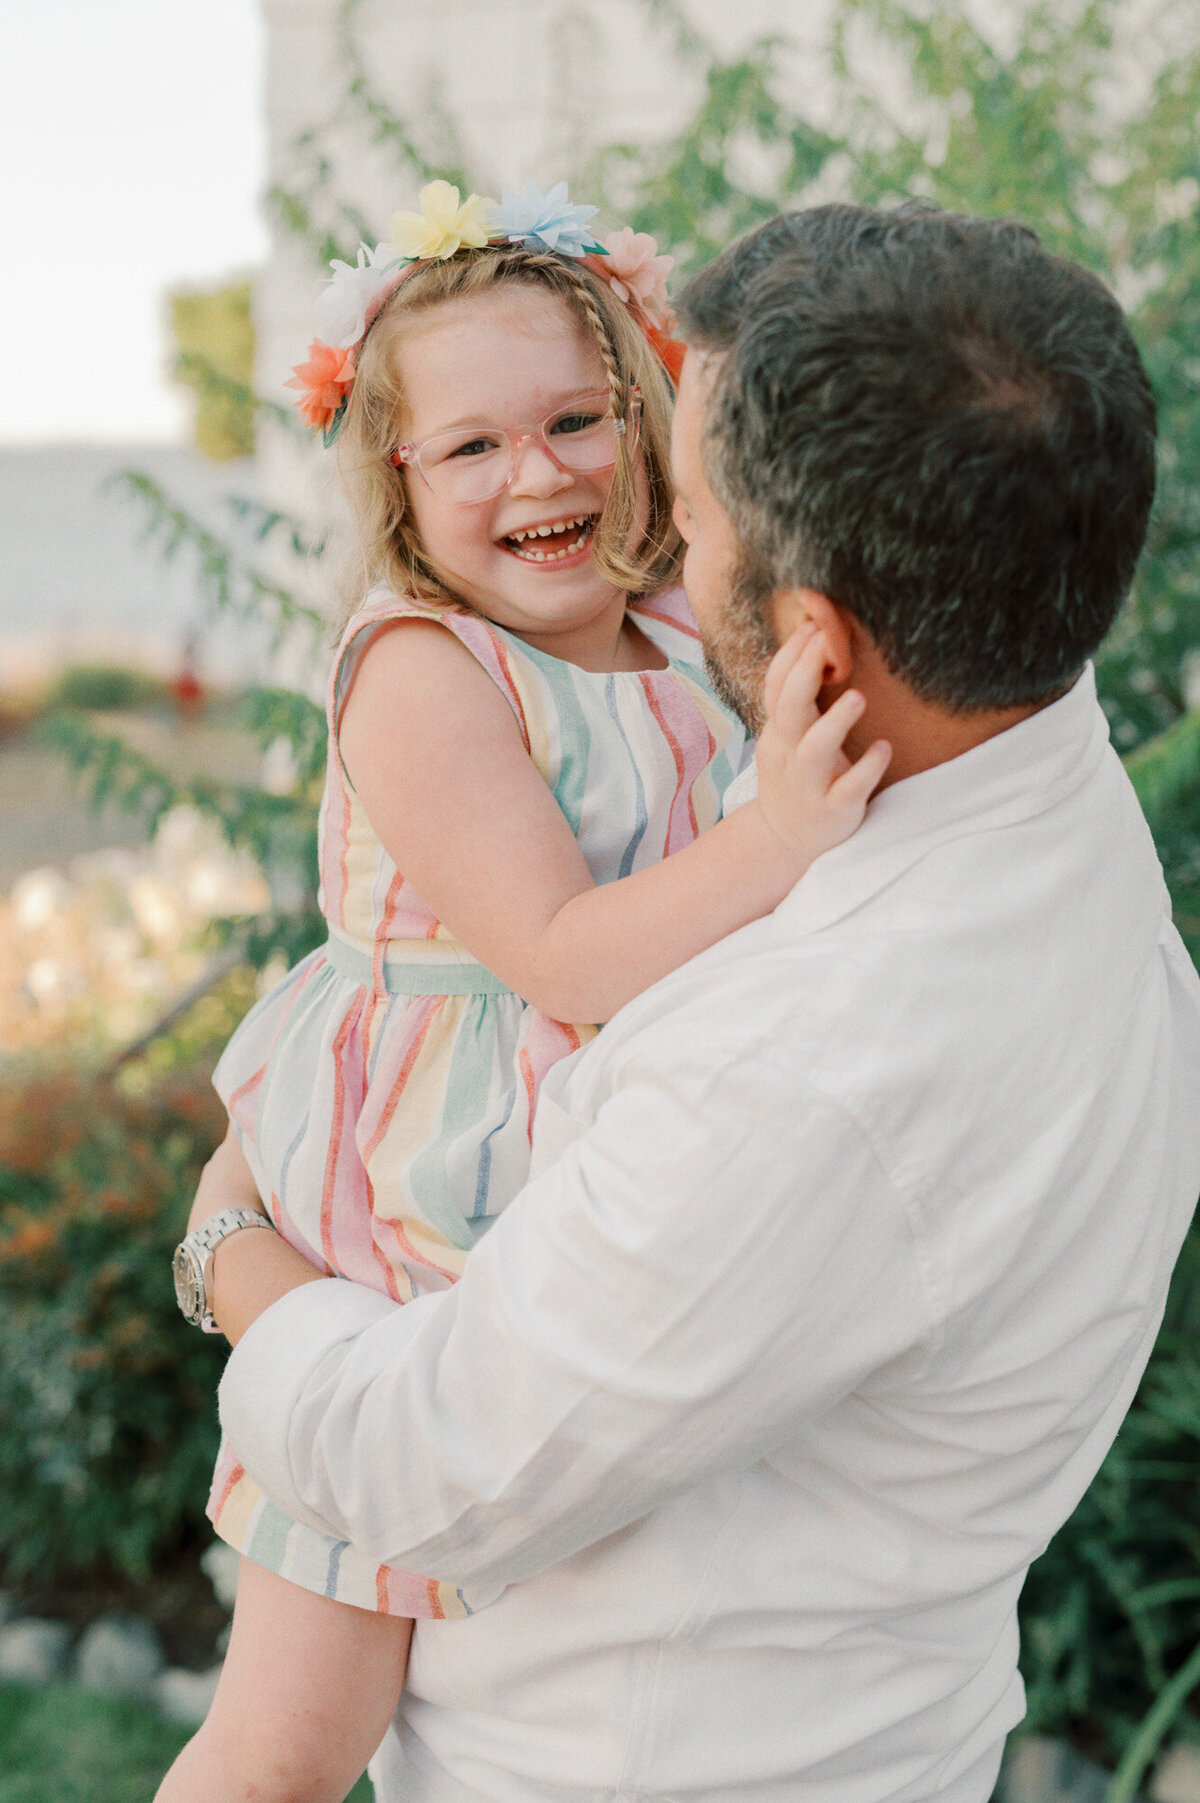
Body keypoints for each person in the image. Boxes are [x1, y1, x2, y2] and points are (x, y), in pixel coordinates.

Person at [197, 204, 1200, 1803]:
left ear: (814, 639)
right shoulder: (1038, 766)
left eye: (673, 477)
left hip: (639, 1767)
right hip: (437, 1165)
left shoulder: (802, 1072)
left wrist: (224, 1251)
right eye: (472, 449)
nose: (618, 508)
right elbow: (560, 940)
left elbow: (419, 1461)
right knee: (269, 1751)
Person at [156, 183, 889, 1803]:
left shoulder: (677, 625)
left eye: (574, 419)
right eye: (473, 446)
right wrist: (776, 832)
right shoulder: (423, 666)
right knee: (297, 1735)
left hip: (594, 1162)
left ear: (642, 420)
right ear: (399, 477)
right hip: (415, 1191)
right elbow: (557, 954)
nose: (538, 472)